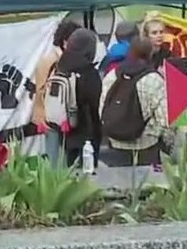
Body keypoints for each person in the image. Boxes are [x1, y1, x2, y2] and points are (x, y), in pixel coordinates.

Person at [99, 37, 173, 166]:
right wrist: (166, 140)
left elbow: (102, 107)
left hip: (116, 143)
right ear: (150, 54)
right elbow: (164, 119)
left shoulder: (112, 75)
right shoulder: (154, 80)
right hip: (147, 144)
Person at [44, 28, 103, 167]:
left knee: (68, 167)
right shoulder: (88, 72)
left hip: (63, 126)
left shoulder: (59, 66)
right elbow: (95, 102)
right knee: (86, 170)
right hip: (86, 129)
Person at [32, 20, 81, 126]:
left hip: (55, 115)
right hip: (51, 116)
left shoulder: (54, 58)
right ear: (65, 41)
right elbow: (41, 90)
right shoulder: (52, 62)